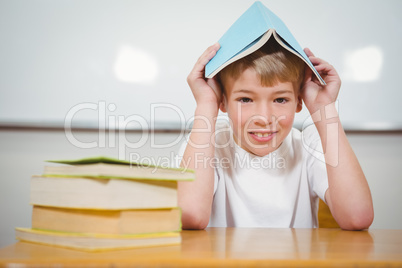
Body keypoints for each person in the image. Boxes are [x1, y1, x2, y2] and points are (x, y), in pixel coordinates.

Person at [177, 39, 374, 230]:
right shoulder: (202, 143)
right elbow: (190, 215)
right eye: (245, 99)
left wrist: (325, 108)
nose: (263, 117)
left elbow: (357, 217)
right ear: (223, 101)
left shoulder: (310, 143)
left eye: (280, 100)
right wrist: (205, 105)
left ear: (299, 101)